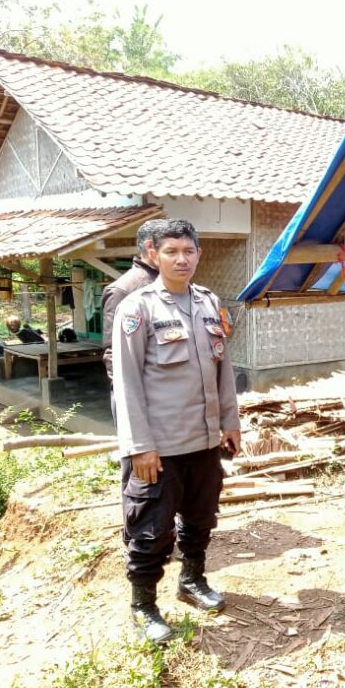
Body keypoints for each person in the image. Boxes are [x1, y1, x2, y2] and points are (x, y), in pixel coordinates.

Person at [112, 219, 240, 643]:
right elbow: (126, 383)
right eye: (171, 252)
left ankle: (192, 580)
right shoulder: (138, 308)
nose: (182, 259)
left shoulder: (208, 303)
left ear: (198, 254)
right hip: (160, 447)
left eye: (188, 251)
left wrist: (229, 423)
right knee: (151, 529)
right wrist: (140, 447)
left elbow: (223, 370)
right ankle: (143, 605)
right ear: (154, 255)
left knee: (201, 519)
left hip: (204, 441)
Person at [102, 219, 160, 389]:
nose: (181, 259)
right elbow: (113, 350)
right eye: (172, 250)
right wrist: (127, 398)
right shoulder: (124, 290)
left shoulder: (171, 284)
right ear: (151, 248)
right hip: (141, 392)